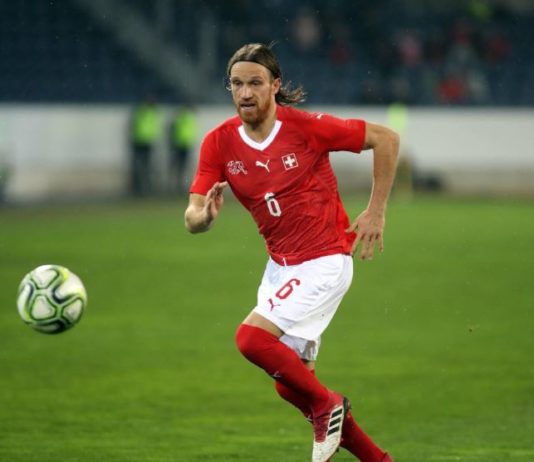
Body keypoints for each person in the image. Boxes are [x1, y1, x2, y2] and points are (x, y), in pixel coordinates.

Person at [185, 43, 399, 462]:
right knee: (290, 384)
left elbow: (385, 139)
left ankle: (328, 406)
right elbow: (192, 215)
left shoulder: (305, 128)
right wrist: (204, 216)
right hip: (280, 268)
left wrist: (376, 211)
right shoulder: (219, 142)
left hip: (324, 259)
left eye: (255, 83)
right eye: (236, 84)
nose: (245, 92)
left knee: (250, 339)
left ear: (274, 85)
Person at [129, 97, 162, 196]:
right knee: (141, 166)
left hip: (146, 142)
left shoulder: (149, 112)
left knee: (145, 166)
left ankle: (144, 186)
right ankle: (139, 187)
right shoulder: (143, 111)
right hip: (140, 142)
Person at [169, 105, 198, 194]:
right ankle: (179, 186)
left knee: (179, 168)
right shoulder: (188, 117)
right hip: (182, 145)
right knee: (181, 168)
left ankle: (177, 186)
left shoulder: (180, 117)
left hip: (181, 145)